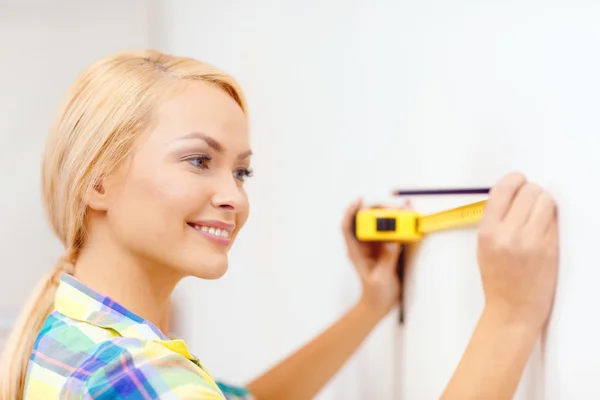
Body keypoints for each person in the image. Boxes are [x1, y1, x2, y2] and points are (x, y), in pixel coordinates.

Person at [0, 49, 559, 400]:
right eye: (199, 160)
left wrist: (372, 304)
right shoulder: (130, 372)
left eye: (242, 172)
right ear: (97, 182)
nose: (233, 198)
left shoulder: (69, 335)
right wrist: (510, 318)